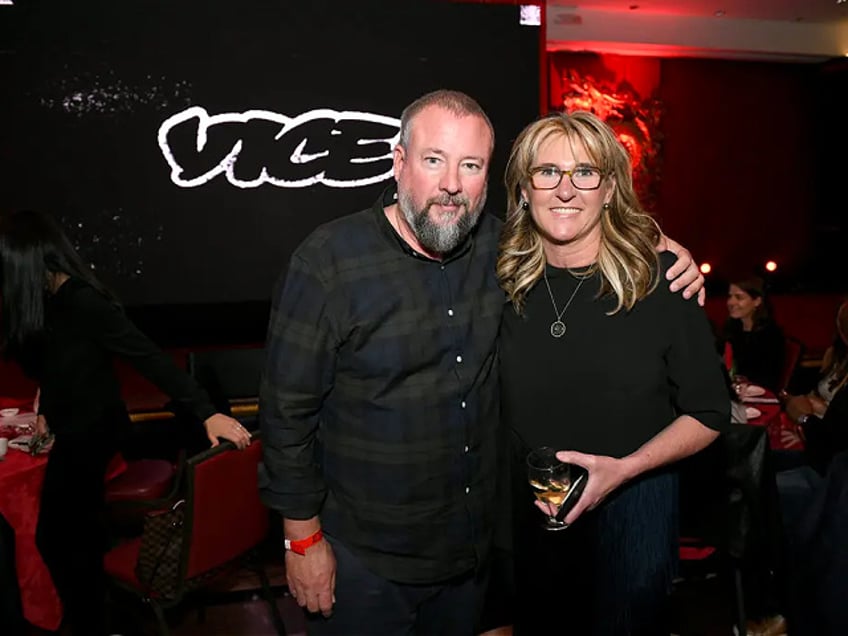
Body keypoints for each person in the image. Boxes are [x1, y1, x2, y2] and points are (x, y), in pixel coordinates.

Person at [257, 90, 705, 635]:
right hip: (366, 558)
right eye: (433, 160)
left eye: (469, 166)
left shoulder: (502, 248)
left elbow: (578, 218)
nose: (451, 183)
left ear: (488, 178)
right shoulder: (328, 263)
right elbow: (286, 416)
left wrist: (660, 244)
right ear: (399, 164)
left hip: (469, 556)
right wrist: (302, 540)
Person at [497, 111, 728, 635]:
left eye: (585, 173)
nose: (565, 189)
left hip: (634, 505)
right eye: (547, 172)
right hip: (529, 512)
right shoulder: (500, 277)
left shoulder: (661, 278)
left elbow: (710, 412)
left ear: (609, 189)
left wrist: (625, 470)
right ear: (524, 189)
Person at [0, 209, 252, 636]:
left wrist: (206, 411)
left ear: (27, 263)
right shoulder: (49, 304)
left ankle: (88, 621)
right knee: (73, 535)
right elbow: (62, 368)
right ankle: (93, 607)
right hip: (76, 425)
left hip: (92, 432)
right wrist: (46, 408)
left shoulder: (81, 301)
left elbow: (146, 355)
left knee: (54, 538)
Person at [723, 275, 785, 391]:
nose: (731, 302)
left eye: (739, 297)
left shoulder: (770, 335)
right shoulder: (733, 328)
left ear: (757, 301)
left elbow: (767, 379)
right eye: (730, 296)